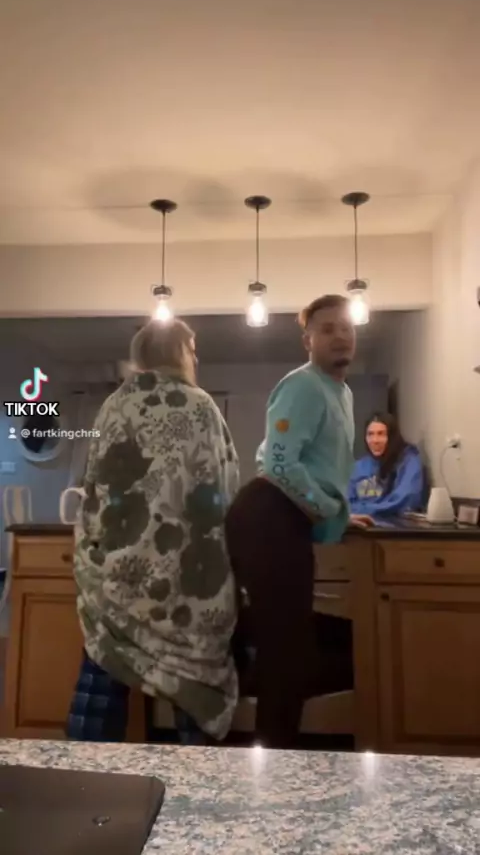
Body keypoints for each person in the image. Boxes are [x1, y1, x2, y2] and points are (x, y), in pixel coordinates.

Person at [67, 318, 240, 745]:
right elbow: (224, 485)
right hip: (186, 584)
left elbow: (95, 487)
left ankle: (81, 773)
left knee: (103, 677)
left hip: (120, 577)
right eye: (192, 349)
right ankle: (196, 778)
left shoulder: (115, 405)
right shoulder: (201, 407)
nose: (196, 357)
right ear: (178, 353)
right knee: (192, 689)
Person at [225, 294, 371, 749]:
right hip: (268, 516)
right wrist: (331, 509)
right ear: (308, 341)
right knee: (287, 652)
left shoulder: (341, 393)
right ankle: (272, 763)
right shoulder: (303, 385)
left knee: (286, 647)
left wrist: (338, 510)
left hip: (279, 518)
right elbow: (281, 464)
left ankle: (266, 754)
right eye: (327, 329)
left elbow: (313, 466)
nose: (340, 335)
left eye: (346, 327)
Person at [348, 412, 425, 518]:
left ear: (391, 436)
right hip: (363, 524)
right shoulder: (359, 467)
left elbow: (405, 500)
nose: (375, 440)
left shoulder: (408, 460)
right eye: (370, 434)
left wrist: (363, 509)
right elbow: (346, 504)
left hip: (396, 524)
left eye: (381, 434)